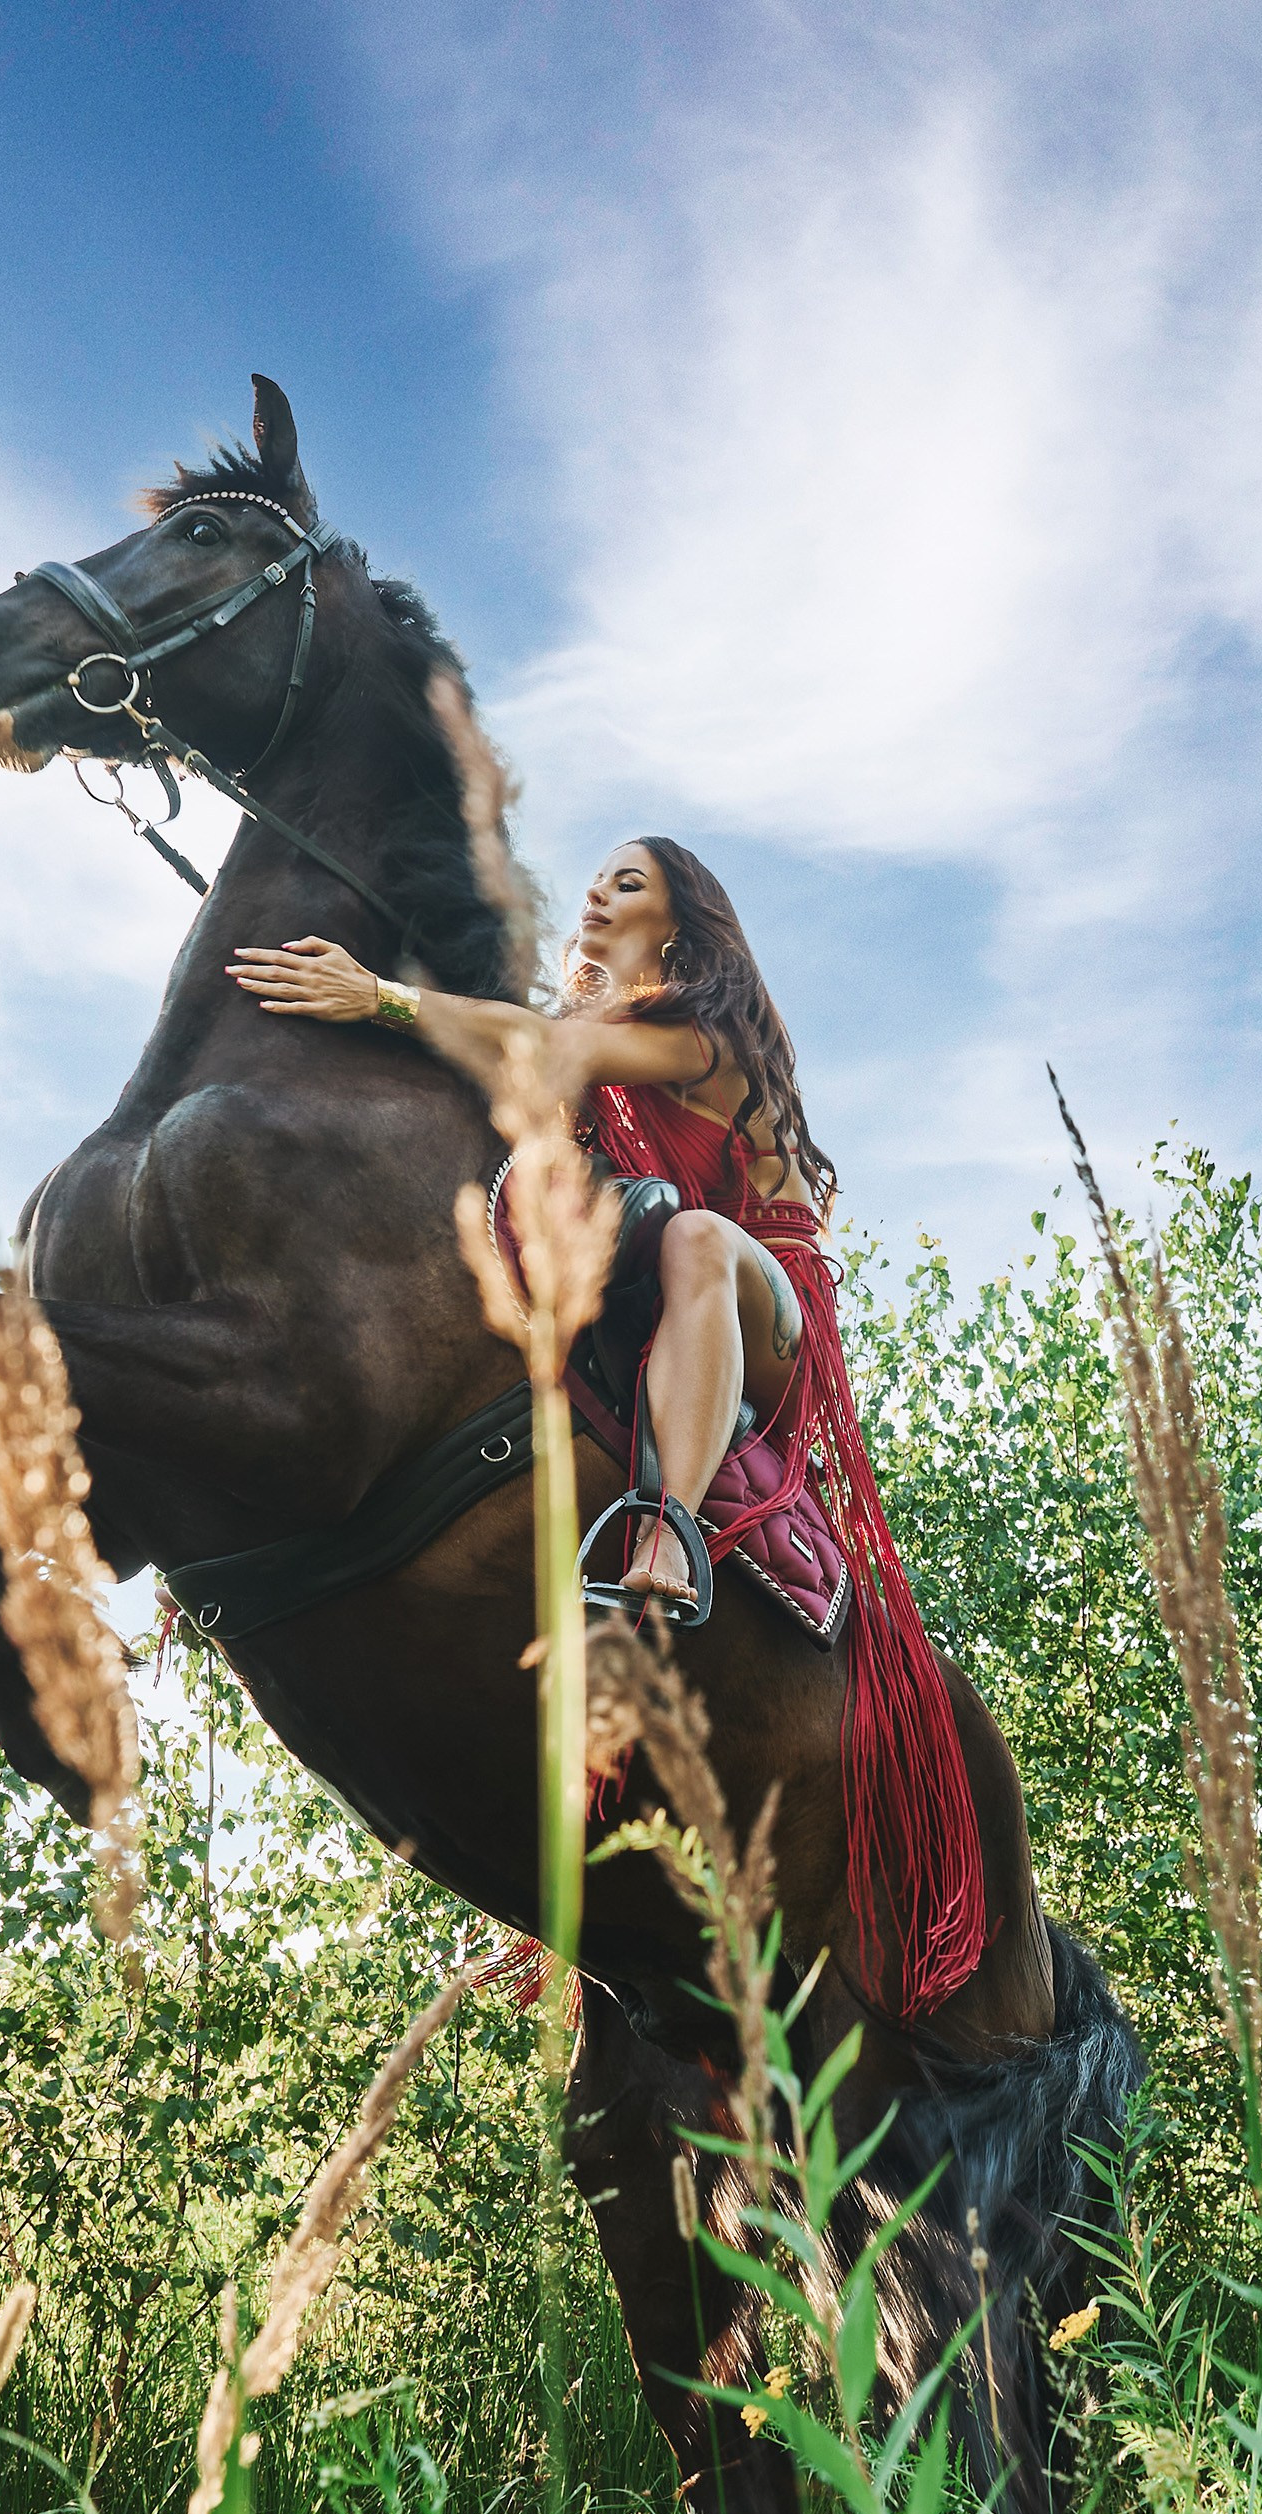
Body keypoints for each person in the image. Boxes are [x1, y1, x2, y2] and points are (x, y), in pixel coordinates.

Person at [229, 835, 986, 2015]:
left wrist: (375, 993)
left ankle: (666, 1530)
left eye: (626, 882)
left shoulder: (700, 1032)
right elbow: (503, 1056)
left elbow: (542, 1041)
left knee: (687, 1232)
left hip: (757, 1306)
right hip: (645, 1298)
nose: (596, 890)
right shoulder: (595, 1035)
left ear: (679, 926)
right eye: (595, 875)